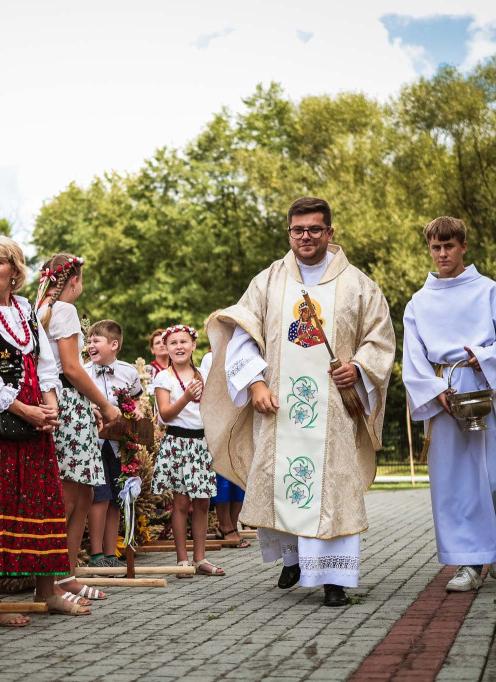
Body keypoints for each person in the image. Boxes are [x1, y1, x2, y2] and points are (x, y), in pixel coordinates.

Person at [203, 196, 395, 607]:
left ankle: (334, 580)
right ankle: (293, 556)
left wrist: (359, 369)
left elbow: (380, 339)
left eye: (314, 229)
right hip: (279, 406)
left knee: (334, 488)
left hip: (334, 411)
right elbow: (242, 334)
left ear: (330, 232)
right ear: (289, 232)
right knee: (283, 482)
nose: (305, 237)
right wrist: (254, 385)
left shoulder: (359, 285)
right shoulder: (269, 281)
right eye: (298, 230)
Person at [0, 235, 90, 625]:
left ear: (14, 270)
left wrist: (51, 405)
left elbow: (45, 363)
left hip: (33, 419)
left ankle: (47, 591)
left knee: (40, 501)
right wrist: (25, 408)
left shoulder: (25, 309)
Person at [402, 216, 496, 592]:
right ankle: (467, 564)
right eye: (435, 247)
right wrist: (434, 389)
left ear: (463, 246)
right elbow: (413, 356)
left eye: (448, 246)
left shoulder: (489, 292)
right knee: (456, 484)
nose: (441, 254)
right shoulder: (419, 302)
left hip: (484, 386)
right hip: (444, 392)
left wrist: (484, 357)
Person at [35, 254, 122, 601]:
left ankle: (67, 573)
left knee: (83, 494)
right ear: (74, 281)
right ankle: (60, 577)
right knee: (71, 496)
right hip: (68, 404)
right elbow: (71, 367)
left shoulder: (38, 308)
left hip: (63, 402)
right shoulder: (66, 311)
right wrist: (104, 403)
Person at [152, 325, 225, 577]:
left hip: (201, 444)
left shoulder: (203, 373)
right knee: (181, 503)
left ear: (193, 345)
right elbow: (164, 414)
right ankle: (182, 560)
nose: (179, 347)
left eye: (184, 342)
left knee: (203, 503)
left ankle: (200, 558)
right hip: (178, 443)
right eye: (173, 343)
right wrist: (184, 397)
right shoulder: (164, 377)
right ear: (167, 349)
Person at [83, 319, 142, 567]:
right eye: (88, 341)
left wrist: (136, 412)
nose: (90, 345)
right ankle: (95, 554)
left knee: (117, 497)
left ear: (114, 344)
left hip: (120, 445)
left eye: (96, 340)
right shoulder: (82, 372)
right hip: (92, 444)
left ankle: (111, 554)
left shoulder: (129, 371)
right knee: (99, 497)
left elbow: (135, 400)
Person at [200, 315, 249, 549]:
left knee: (239, 475)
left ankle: (235, 523)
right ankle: (224, 525)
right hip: (219, 423)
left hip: (240, 419)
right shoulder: (209, 358)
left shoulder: (245, 356)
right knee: (222, 476)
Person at [145, 328, 168, 393]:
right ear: (152, 349)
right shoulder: (147, 370)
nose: (162, 345)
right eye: (158, 343)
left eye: (164, 342)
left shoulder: (178, 368)